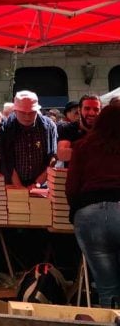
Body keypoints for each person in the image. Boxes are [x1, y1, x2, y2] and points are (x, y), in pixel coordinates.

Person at [66, 104, 120, 308]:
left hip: (89, 216)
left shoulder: (82, 146)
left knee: (107, 288)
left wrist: (77, 212)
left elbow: (71, 188)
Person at [0, 90, 57, 187]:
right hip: (12, 183)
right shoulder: (5, 129)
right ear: (15, 111)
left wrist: (37, 183)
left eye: (31, 113)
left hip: (42, 183)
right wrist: (19, 186)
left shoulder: (49, 127)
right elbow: (5, 161)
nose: (27, 117)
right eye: (23, 113)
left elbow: (52, 158)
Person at [57, 95, 101, 164]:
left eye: (96, 109)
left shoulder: (105, 131)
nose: (92, 113)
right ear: (79, 110)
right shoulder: (68, 129)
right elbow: (62, 154)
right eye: (87, 109)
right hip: (76, 174)